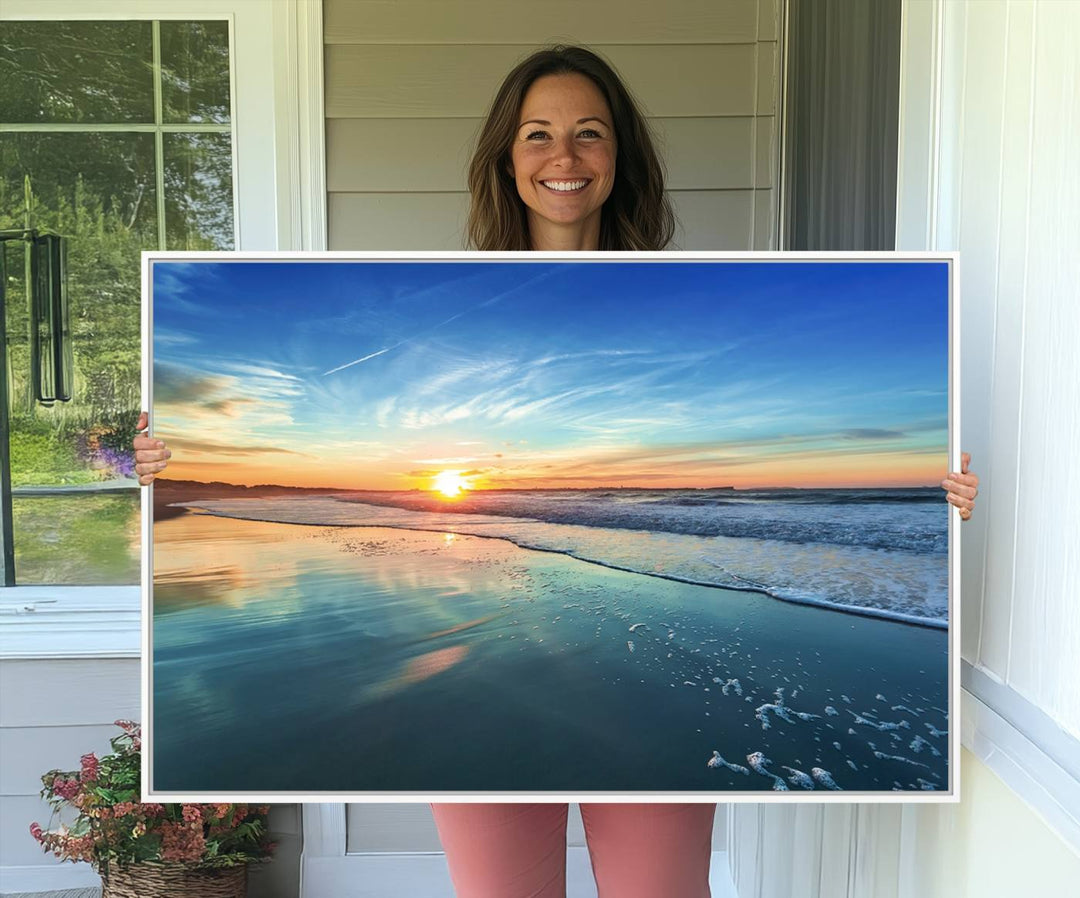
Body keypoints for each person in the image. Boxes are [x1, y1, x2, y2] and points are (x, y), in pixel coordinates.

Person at [133, 45, 979, 898]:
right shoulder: (446, 298)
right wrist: (163, 466)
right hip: (481, 714)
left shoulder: (688, 294)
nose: (564, 157)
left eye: (589, 134)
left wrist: (937, 506)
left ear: (620, 157)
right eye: (537, 134)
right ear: (507, 156)